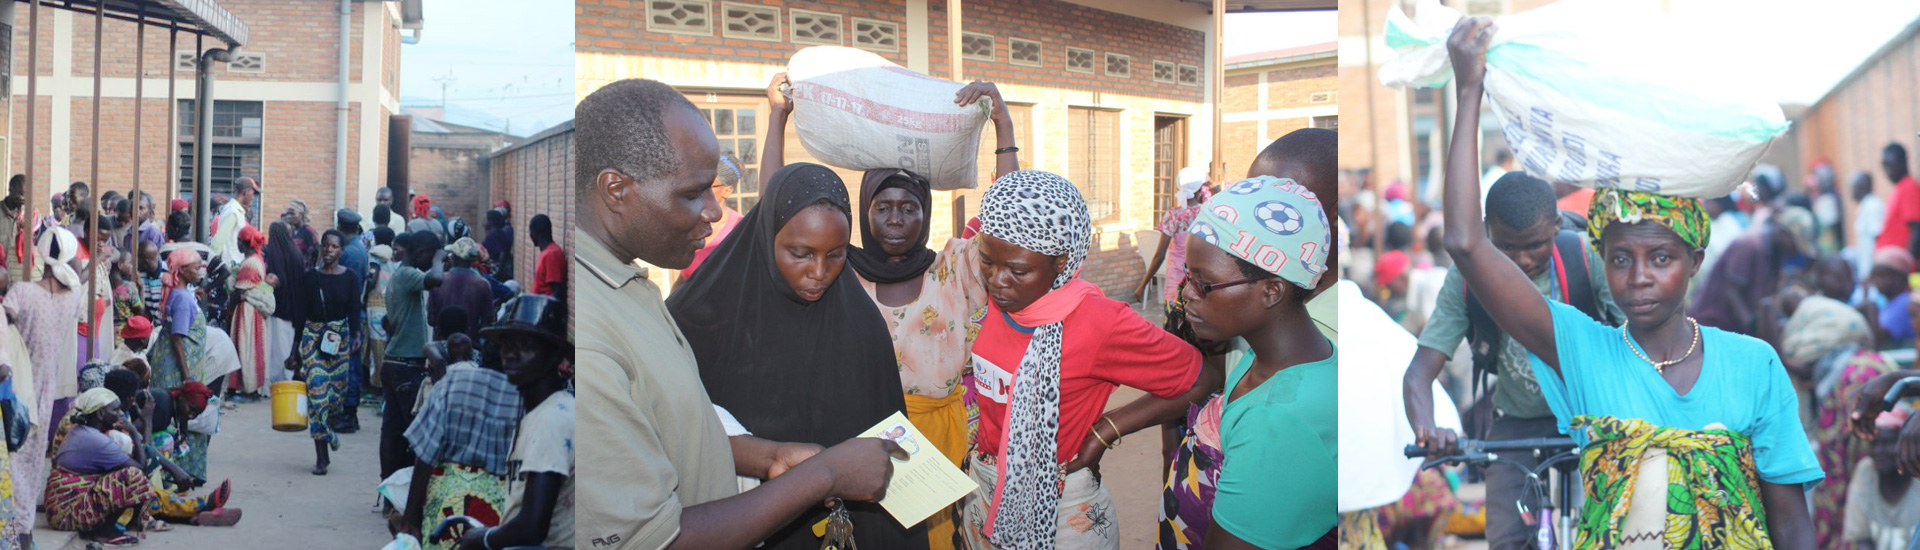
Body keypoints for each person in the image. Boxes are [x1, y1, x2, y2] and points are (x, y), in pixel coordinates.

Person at [1441, 18, 1820, 547]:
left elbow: (1792, 525)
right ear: (1602, 259)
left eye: (1661, 257)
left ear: (1695, 261)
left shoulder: (1754, 366)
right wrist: (1469, 90)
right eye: (1620, 259)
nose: (1639, 278)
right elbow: (1465, 242)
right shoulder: (1580, 349)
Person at [575, 78, 905, 550]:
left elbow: (677, 431)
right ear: (616, 189)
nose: (714, 211)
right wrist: (825, 475)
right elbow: (651, 540)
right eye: (692, 193)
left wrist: (767, 456)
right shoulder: (589, 332)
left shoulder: (629, 288)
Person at [665, 162, 925, 549]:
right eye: (800, 253)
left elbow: (888, 433)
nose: (819, 272)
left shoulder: (860, 321)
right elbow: (678, 432)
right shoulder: (701, 317)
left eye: (835, 255)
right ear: (767, 237)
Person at [958, 170, 1206, 550]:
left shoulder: (1099, 322)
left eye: (1018, 270)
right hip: (984, 489)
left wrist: (1106, 429)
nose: (997, 280)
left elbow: (1202, 377)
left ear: (1061, 262)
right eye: (988, 261)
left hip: (1061, 512)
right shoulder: (996, 300)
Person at [1402, 170, 1619, 550]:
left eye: (1535, 245)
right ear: (1486, 230)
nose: (1522, 259)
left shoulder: (1587, 258)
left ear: (1556, 225)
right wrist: (1428, 430)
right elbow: (1419, 373)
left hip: (1596, 412)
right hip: (1518, 420)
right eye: (1505, 247)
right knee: (1507, 536)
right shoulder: (1468, 276)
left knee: (1613, 527)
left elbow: (1637, 340)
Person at [1158, 176, 1336, 549]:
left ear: (1271, 290)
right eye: (1188, 276)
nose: (1187, 294)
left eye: (1204, 283)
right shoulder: (1264, 353)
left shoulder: (1278, 419)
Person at [1772, 289, 1891, 549]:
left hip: (1849, 392)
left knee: (1838, 477)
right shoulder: (1845, 330)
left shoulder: (1807, 332)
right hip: (1878, 375)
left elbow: (1801, 368)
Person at [452, 295, 571, 550]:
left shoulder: (551, 419)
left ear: (555, 355)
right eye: (507, 344)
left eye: (526, 345)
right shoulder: (538, 413)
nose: (512, 354)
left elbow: (532, 527)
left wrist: (482, 539)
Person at [402, 333, 522, 550]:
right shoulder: (524, 398)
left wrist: (410, 519)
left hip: (446, 500)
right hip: (499, 505)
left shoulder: (451, 384)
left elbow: (424, 455)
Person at [4, 224, 83, 549]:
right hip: (46, 386)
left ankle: (11, 528)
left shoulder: (21, 293)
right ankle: (24, 531)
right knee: (35, 457)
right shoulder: (73, 296)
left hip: (15, 384)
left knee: (11, 456)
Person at [42, 388, 157, 545]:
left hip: (62, 511)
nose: (120, 414)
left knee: (121, 473)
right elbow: (140, 468)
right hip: (66, 516)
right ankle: (105, 532)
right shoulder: (96, 440)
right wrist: (135, 434)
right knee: (132, 476)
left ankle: (122, 523)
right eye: (115, 410)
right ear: (101, 414)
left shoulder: (82, 431)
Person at [291, 230, 363, 475]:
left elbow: (354, 309)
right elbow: (300, 316)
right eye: (326, 246)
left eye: (334, 246)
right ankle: (321, 457)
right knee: (317, 396)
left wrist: (356, 335)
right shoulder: (310, 278)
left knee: (335, 398)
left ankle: (328, 431)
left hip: (339, 341)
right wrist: (295, 350)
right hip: (313, 339)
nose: (329, 250)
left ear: (341, 251)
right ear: (320, 249)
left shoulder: (351, 278)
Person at [1689, 206, 1817, 336]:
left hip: (1731, 328)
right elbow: (1732, 293)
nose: (1794, 251)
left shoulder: (1776, 254)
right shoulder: (1749, 245)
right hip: (1713, 323)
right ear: (1782, 233)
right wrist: (1753, 330)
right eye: (1794, 244)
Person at [149, 247, 217, 480]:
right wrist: (187, 376)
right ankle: (181, 471)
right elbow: (178, 339)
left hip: (176, 364)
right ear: (183, 270)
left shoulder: (182, 294)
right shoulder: (181, 299)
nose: (200, 270)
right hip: (178, 368)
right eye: (196, 267)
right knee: (183, 416)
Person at [381, 231, 444, 481]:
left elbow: (390, 323)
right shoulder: (408, 274)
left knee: (392, 430)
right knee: (411, 432)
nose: (430, 261)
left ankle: (389, 490)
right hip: (407, 364)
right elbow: (435, 279)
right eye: (429, 255)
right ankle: (404, 490)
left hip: (395, 360)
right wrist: (440, 259)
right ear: (420, 253)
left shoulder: (399, 276)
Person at [1133, 166, 1211, 305]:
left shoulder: (1174, 215)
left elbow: (1159, 255)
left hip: (1176, 282)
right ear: (1200, 189)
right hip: (1200, 281)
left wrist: (1143, 285)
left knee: (1174, 323)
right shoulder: (1207, 213)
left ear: (1178, 189)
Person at [1843, 412, 1920, 550]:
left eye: (1888, 442)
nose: (1879, 451)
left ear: (1905, 444)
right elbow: (1862, 540)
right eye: (1874, 443)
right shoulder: (1866, 471)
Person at [679, 153, 747, 280]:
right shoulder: (691, 225)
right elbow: (684, 279)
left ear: (727, 190)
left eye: (707, 186)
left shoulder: (740, 230)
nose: (699, 191)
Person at [229, 226, 275, 395]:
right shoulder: (256, 258)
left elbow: (239, 290)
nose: (237, 244)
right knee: (252, 348)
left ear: (246, 243)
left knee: (246, 347)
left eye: (239, 241)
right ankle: (250, 387)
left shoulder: (249, 263)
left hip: (247, 310)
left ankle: (247, 388)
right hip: (251, 309)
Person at [430, 237, 495, 340]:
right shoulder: (483, 284)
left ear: (454, 258)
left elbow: (431, 320)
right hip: (470, 346)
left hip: (441, 346)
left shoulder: (438, 282)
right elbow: (487, 322)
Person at [1878, 143, 1920, 252]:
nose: (1887, 170)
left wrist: (1909, 262)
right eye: (1884, 165)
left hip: (1901, 264)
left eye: (1889, 164)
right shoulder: (1899, 188)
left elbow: (1916, 229)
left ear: (1903, 161)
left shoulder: (1909, 187)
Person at [210, 176, 256, 269]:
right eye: (252, 193)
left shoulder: (235, 210)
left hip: (234, 265)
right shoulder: (233, 212)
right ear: (245, 192)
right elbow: (218, 243)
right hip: (230, 267)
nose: (253, 197)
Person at [529, 214, 566, 301]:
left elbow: (556, 293)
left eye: (531, 231)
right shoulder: (545, 252)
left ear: (535, 233)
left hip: (543, 309)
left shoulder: (552, 254)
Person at [481, 207, 514, 281]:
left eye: (485, 219)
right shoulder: (494, 233)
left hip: (497, 273)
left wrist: (497, 270)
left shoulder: (495, 235)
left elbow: (502, 253)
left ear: (491, 221)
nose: (483, 221)